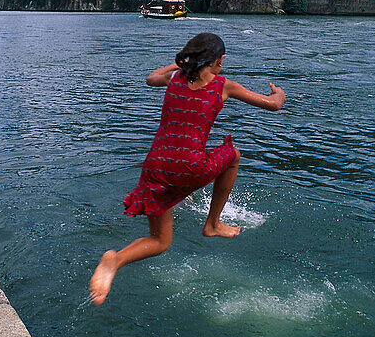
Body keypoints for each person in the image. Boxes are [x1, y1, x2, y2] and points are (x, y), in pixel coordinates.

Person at [89, 32, 286, 306]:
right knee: (234, 155)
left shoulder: (174, 79)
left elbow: (151, 78)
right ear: (219, 61)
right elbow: (273, 105)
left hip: (155, 166)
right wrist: (279, 93)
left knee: (160, 241)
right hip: (189, 168)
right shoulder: (223, 85)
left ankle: (114, 260)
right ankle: (213, 223)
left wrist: (178, 65)